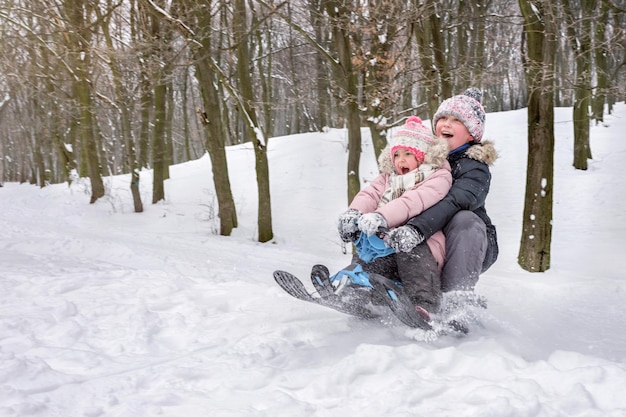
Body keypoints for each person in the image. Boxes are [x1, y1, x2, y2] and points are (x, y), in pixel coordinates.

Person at [386, 88, 498, 300]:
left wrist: (416, 228)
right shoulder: (421, 159)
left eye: (456, 120)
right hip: (427, 236)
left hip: (469, 241)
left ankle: (456, 299)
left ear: (472, 133)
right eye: (443, 118)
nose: (446, 124)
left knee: (465, 219)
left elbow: (456, 201)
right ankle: (375, 288)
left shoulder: (475, 167)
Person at [335, 116, 452, 317]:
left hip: (422, 242)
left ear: (423, 156)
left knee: (408, 245)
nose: (401, 160)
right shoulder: (388, 178)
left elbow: (414, 200)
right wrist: (353, 214)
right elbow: (369, 195)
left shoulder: (438, 176)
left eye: (408, 154)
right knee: (367, 243)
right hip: (386, 243)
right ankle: (360, 291)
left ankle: (425, 303)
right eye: (396, 155)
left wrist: (382, 216)